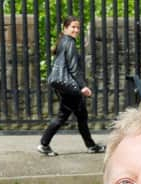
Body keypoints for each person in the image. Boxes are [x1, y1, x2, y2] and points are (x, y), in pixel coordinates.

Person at [38, 16, 105, 157]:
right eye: (73, 27)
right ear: (65, 28)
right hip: (69, 86)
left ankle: (91, 145)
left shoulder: (63, 41)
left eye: (78, 27)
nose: (76, 30)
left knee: (81, 115)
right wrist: (83, 86)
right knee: (63, 116)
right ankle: (44, 144)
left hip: (62, 85)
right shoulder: (70, 43)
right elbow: (74, 68)